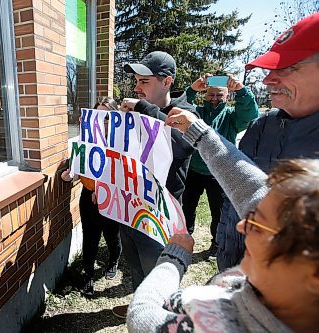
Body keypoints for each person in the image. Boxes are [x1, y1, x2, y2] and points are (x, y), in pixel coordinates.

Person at [126, 107, 319, 332]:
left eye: (257, 224)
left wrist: (173, 260)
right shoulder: (285, 282)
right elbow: (251, 190)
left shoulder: (219, 326)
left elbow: (142, 315)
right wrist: (201, 135)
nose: (241, 224)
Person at [216, 12, 319, 271]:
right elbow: (234, 199)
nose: (268, 79)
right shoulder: (263, 125)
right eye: (271, 68)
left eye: (286, 68)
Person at [112, 51, 198, 318]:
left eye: (144, 82)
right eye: (136, 81)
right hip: (131, 208)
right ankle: (141, 305)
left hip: (161, 218)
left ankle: (161, 317)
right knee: (135, 267)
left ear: (167, 81)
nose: (137, 88)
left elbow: (178, 144)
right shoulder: (134, 114)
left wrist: (143, 109)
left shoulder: (186, 114)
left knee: (158, 274)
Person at [182, 73, 258, 255]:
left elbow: (250, 115)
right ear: (205, 94)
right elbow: (179, 107)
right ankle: (185, 238)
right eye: (210, 94)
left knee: (218, 212)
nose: (214, 99)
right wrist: (192, 90)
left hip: (219, 173)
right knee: (187, 208)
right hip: (194, 169)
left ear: (227, 96)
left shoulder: (231, 117)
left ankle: (216, 244)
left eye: (219, 95)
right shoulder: (197, 113)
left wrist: (241, 91)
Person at [61, 97, 122, 297]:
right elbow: (80, 167)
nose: (101, 121)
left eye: (106, 117)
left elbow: (123, 173)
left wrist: (104, 188)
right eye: (97, 115)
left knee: (112, 235)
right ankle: (87, 274)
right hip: (88, 197)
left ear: (114, 118)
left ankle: (114, 259)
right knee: (90, 237)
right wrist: (71, 174)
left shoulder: (121, 142)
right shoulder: (85, 141)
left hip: (112, 197)